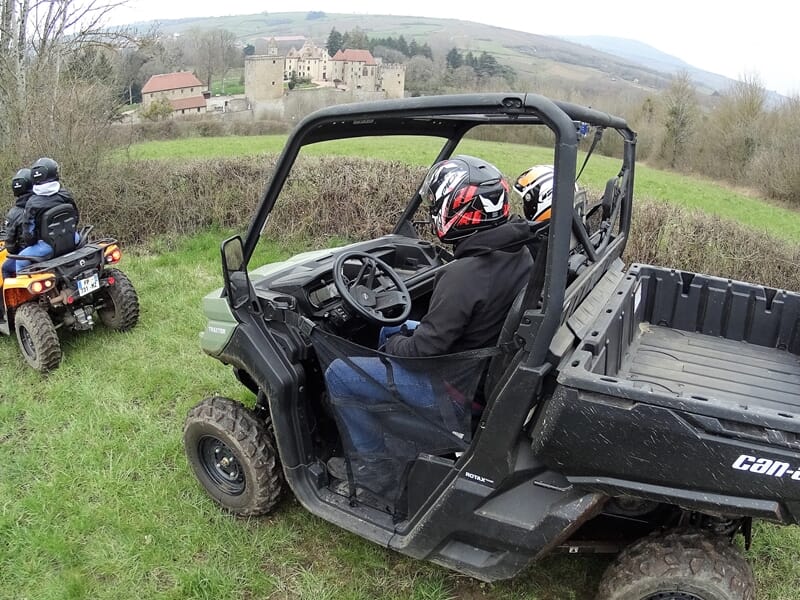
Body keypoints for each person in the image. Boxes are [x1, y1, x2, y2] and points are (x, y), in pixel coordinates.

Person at [325, 155, 534, 489]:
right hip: (478, 365)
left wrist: (392, 348)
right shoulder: (518, 252)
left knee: (338, 373)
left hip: (453, 391)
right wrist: (395, 339)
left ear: (457, 210)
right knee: (391, 326)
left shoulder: (464, 275)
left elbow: (424, 350)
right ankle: (383, 410)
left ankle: (374, 469)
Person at [9, 157, 79, 274]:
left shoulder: (32, 203)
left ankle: (23, 293)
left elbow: (28, 234)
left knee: (20, 260)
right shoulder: (65, 195)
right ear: (54, 173)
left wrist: (34, 241)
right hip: (72, 238)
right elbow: (76, 217)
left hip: (47, 247)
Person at [2, 168, 34, 279]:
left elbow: (10, 246)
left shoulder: (14, 213)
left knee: (5, 267)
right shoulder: (41, 202)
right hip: (50, 245)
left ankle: (13, 296)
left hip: (27, 253)